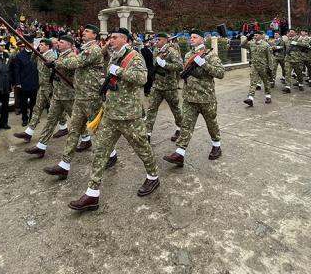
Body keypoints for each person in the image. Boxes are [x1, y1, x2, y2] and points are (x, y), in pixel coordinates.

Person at [69, 28, 159, 212]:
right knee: (101, 151)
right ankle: (92, 194)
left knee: (142, 148)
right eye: (110, 37)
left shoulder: (134, 56)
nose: (110, 40)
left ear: (125, 39)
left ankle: (153, 177)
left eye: (114, 37)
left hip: (128, 115)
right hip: (110, 113)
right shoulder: (115, 56)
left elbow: (142, 78)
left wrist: (120, 71)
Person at [43, 24, 106, 180]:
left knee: (99, 129)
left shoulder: (94, 50)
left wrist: (56, 63)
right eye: (83, 31)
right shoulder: (86, 49)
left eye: (87, 32)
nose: (83, 33)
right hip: (80, 95)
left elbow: (75, 63)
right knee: (74, 129)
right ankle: (64, 165)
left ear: (95, 35)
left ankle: (111, 154)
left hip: (91, 96)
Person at [163, 29, 225, 167]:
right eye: (191, 37)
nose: (191, 39)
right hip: (190, 98)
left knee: (211, 124)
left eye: (195, 37)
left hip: (206, 98)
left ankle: (216, 145)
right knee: (186, 125)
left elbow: (220, 73)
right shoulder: (188, 55)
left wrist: (204, 64)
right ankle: (179, 153)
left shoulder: (210, 55)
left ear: (202, 39)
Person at [25, 36, 76, 157]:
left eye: (61, 42)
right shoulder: (61, 55)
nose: (58, 44)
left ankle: (86, 139)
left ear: (69, 44)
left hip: (68, 95)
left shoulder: (71, 56)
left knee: (76, 120)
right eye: (58, 42)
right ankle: (41, 146)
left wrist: (55, 63)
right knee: (50, 120)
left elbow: (72, 65)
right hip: (58, 94)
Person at [145, 33, 183, 142]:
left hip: (169, 87)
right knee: (151, 109)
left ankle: (180, 128)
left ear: (166, 40)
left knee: (175, 109)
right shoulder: (156, 50)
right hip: (157, 86)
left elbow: (180, 66)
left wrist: (165, 65)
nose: (156, 41)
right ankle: (147, 133)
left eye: (159, 39)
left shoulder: (172, 51)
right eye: (156, 39)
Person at [11, 40, 39, 127]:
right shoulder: (19, 55)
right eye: (29, 43)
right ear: (25, 44)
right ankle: (24, 118)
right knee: (23, 102)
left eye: (32, 43)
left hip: (34, 81)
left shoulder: (36, 54)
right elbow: (16, 70)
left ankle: (32, 118)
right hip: (24, 83)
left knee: (33, 102)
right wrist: (18, 82)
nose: (31, 45)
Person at [241, 31, 273, 106]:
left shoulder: (266, 45)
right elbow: (242, 45)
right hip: (254, 66)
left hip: (263, 67)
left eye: (256, 35)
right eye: (254, 35)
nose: (255, 37)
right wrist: (247, 39)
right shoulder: (251, 44)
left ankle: (268, 96)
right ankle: (250, 98)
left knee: (266, 82)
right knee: (253, 82)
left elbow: (269, 57)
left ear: (261, 36)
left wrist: (270, 68)